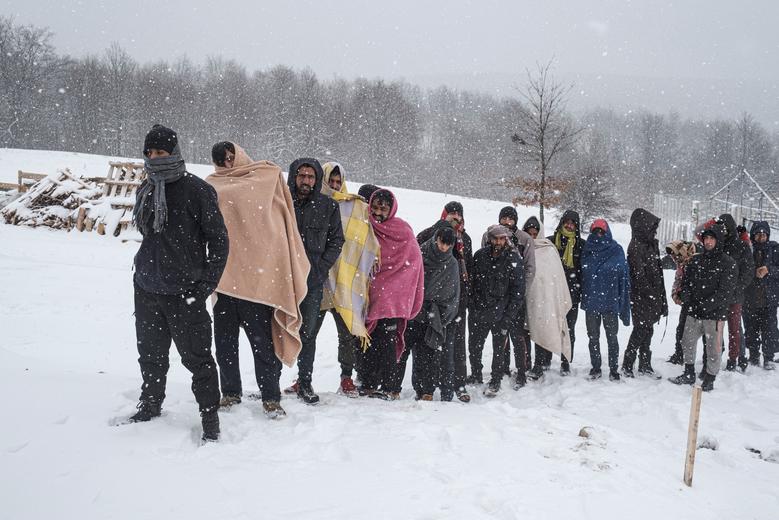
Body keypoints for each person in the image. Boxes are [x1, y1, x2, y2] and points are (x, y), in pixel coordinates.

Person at [127, 125, 228, 442]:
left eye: (161, 152)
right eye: (150, 153)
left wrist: (205, 285)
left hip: (185, 293)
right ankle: (151, 403)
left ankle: (209, 417)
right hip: (147, 288)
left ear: (174, 153)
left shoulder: (197, 190)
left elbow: (219, 242)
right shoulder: (146, 188)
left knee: (198, 359)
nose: (155, 158)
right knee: (151, 355)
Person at [206, 142, 310, 419]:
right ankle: (230, 392)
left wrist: (272, 259)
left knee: (263, 345)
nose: (228, 164)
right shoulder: (212, 185)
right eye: (223, 160)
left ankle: (271, 397)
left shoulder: (266, 177)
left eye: (231, 158)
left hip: (258, 282)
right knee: (224, 342)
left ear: (240, 154)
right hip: (226, 279)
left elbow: (278, 224)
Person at [312, 162, 380, 396]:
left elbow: (366, 241)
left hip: (345, 281)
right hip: (319, 280)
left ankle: (346, 377)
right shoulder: (313, 204)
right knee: (309, 332)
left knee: (347, 334)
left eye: (337, 182)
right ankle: (304, 378)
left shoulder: (355, 207)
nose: (334, 185)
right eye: (330, 181)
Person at [283, 158, 345, 404]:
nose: (306, 180)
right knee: (278, 329)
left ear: (317, 179)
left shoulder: (328, 206)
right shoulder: (282, 201)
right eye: (302, 175)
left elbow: (336, 241)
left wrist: (319, 270)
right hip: (283, 278)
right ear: (294, 176)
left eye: (310, 176)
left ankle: (305, 383)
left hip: (312, 280)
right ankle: (269, 383)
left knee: (307, 333)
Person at [362, 189, 424, 399]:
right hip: (370, 295)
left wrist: (397, 286)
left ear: (391, 209)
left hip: (393, 299)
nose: (378, 213)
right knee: (368, 342)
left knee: (387, 343)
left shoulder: (402, 230)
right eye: (375, 208)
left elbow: (414, 262)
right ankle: (369, 383)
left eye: (383, 209)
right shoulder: (365, 226)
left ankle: (389, 387)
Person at [387, 227, 461, 400]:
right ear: (436, 239)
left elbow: (453, 295)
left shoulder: (452, 264)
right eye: (442, 242)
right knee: (401, 352)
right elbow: (406, 280)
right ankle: (393, 388)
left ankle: (425, 391)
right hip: (412, 312)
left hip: (432, 317)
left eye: (448, 245)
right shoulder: (419, 253)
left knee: (428, 356)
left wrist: (441, 316)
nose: (443, 247)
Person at [415, 201, 474, 402]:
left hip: (456, 300)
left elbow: (469, 269)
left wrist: (463, 296)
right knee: (426, 345)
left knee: (455, 345)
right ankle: (426, 386)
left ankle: (457, 384)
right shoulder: (427, 234)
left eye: (459, 217)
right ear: (444, 215)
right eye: (452, 216)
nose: (456, 220)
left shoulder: (465, 239)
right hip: (428, 303)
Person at [669, 224, 737, 392]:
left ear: (718, 240)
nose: (708, 242)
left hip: (714, 314)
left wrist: (707, 305)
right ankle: (689, 372)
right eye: (706, 238)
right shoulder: (696, 260)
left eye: (712, 238)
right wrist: (685, 294)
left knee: (713, 348)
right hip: (694, 311)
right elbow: (687, 283)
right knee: (687, 342)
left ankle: (710, 378)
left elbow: (725, 291)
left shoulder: (728, 263)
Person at [480, 206, 536, 383]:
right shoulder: (488, 235)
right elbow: (485, 260)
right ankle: (502, 367)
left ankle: (521, 370)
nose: (507, 222)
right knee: (500, 336)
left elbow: (530, 268)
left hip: (515, 295)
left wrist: (519, 291)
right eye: (504, 218)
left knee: (518, 335)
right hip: (495, 297)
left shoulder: (524, 239)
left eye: (510, 219)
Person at [468, 225, 525, 396]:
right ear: (490, 239)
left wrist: (509, 315)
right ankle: (476, 374)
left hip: (501, 312)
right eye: (495, 238)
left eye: (501, 239)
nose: (498, 242)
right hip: (479, 311)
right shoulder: (480, 256)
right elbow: (471, 282)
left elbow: (518, 290)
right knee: (474, 347)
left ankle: (496, 380)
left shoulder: (513, 258)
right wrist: (473, 303)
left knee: (499, 350)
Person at [580, 219, 631, 381]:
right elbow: (582, 273)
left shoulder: (616, 250)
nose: (599, 235)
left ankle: (613, 369)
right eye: (595, 232)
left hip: (610, 301)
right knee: (593, 336)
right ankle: (596, 367)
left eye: (601, 231)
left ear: (607, 232)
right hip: (592, 302)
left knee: (612, 337)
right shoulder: (587, 249)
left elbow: (623, 274)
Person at [621, 208, 668, 378]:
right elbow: (638, 276)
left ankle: (644, 364)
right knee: (640, 330)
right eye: (652, 227)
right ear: (643, 227)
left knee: (648, 330)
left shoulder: (651, 244)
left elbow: (658, 272)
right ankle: (628, 364)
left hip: (652, 296)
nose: (654, 230)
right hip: (641, 297)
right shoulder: (635, 247)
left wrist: (660, 297)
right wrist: (651, 294)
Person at [541, 210, 582, 375]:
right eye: (567, 221)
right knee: (550, 327)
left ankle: (566, 361)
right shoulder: (550, 242)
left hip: (572, 294)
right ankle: (546, 359)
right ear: (562, 222)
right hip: (552, 293)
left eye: (573, 223)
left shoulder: (580, 244)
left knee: (569, 329)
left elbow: (583, 272)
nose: (569, 225)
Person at [526, 234, 573, 380]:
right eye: (529, 233)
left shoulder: (549, 249)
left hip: (547, 298)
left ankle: (547, 363)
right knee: (529, 332)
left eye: (535, 233)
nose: (532, 236)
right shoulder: (524, 247)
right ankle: (531, 364)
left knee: (547, 329)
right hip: (529, 297)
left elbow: (555, 276)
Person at [717, 213, 755, 372]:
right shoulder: (717, 243)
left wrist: (736, 288)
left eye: (725, 227)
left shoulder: (742, 245)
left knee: (735, 329)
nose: (723, 230)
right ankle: (716, 356)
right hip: (718, 295)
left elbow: (748, 271)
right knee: (717, 329)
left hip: (734, 296)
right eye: (720, 227)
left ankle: (735, 359)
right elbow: (700, 231)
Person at [742, 221, 779, 370]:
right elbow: (740, 269)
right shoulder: (747, 249)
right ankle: (753, 355)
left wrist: (769, 270)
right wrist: (753, 272)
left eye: (764, 235)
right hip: (749, 298)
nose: (761, 237)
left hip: (769, 298)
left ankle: (769, 357)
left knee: (769, 329)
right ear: (753, 235)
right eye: (758, 234)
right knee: (751, 328)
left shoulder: (775, 249)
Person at [665, 240, 698, 365]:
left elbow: (694, 284)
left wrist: (685, 294)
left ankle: (701, 360)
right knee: (681, 329)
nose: (673, 258)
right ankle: (679, 354)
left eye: (674, 254)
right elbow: (677, 280)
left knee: (691, 331)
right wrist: (675, 294)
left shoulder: (694, 261)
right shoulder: (681, 264)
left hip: (695, 303)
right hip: (687, 302)